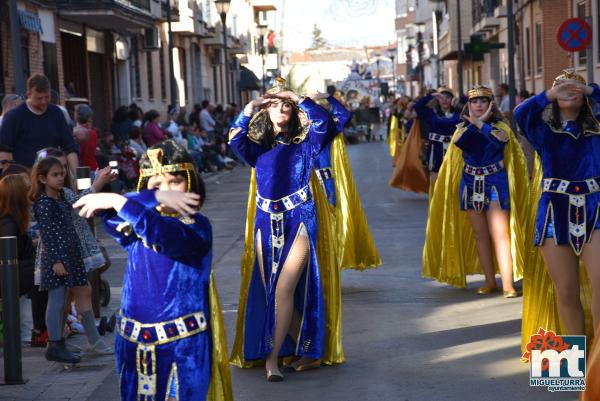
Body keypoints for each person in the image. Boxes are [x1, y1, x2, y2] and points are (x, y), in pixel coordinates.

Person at [73, 140, 232, 401]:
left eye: (174, 183)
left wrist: (118, 198)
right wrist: (153, 197)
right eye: (157, 185)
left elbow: (160, 233)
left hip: (182, 347)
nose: (168, 192)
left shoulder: (197, 227)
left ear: (191, 182)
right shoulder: (135, 223)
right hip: (133, 344)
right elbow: (111, 218)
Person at [228, 77, 334, 381]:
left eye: (285, 105)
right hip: (265, 220)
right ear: (266, 110)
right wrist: (249, 108)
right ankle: (309, 348)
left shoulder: (307, 144)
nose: (280, 109)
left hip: (299, 218)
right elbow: (234, 138)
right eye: (274, 104)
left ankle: (272, 359)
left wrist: (297, 97)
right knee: (274, 290)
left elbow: (325, 122)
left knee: (285, 288)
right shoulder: (255, 149)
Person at [516, 71, 600, 338]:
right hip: (554, 211)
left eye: (575, 85)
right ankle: (576, 363)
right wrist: (550, 94)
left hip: (596, 208)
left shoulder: (597, 129)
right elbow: (521, 113)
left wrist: (589, 90)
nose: (568, 89)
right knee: (565, 290)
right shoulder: (543, 132)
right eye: (561, 85)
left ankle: (598, 363)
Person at [422, 85, 530, 295]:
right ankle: (490, 281)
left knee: (501, 234)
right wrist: (474, 124)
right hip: (470, 184)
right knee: (480, 235)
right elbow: (462, 143)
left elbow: (500, 142)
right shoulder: (462, 128)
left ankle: (507, 284)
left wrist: (481, 123)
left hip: (495, 183)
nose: (478, 105)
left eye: (483, 101)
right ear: (468, 105)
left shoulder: (501, 126)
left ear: (491, 104)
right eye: (474, 101)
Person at [30, 158, 85, 363]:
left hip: (67, 254)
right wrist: (56, 261)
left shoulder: (60, 199)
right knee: (56, 300)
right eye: (55, 175)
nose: (61, 177)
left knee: (62, 301)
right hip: (57, 257)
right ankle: (54, 344)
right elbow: (48, 235)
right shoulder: (44, 204)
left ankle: (59, 342)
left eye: (62, 173)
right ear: (43, 178)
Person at [0, 74, 79, 172]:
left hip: (52, 176)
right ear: (28, 94)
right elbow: (5, 151)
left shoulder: (56, 113)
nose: (44, 101)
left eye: (47, 97)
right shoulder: (14, 116)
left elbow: (70, 148)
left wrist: (77, 178)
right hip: (25, 176)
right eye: (39, 98)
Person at [413, 87, 462, 188]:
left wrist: (460, 99)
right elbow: (417, 107)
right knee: (437, 185)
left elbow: (471, 109)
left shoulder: (459, 113)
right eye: (441, 97)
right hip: (436, 150)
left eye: (448, 97)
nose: (444, 100)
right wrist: (432, 95)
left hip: (454, 150)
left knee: (454, 183)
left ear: (452, 99)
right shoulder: (431, 113)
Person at [73, 104, 98, 171]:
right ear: (89, 118)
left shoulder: (73, 133)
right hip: (92, 168)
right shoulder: (93, 133)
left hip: (79, 171)